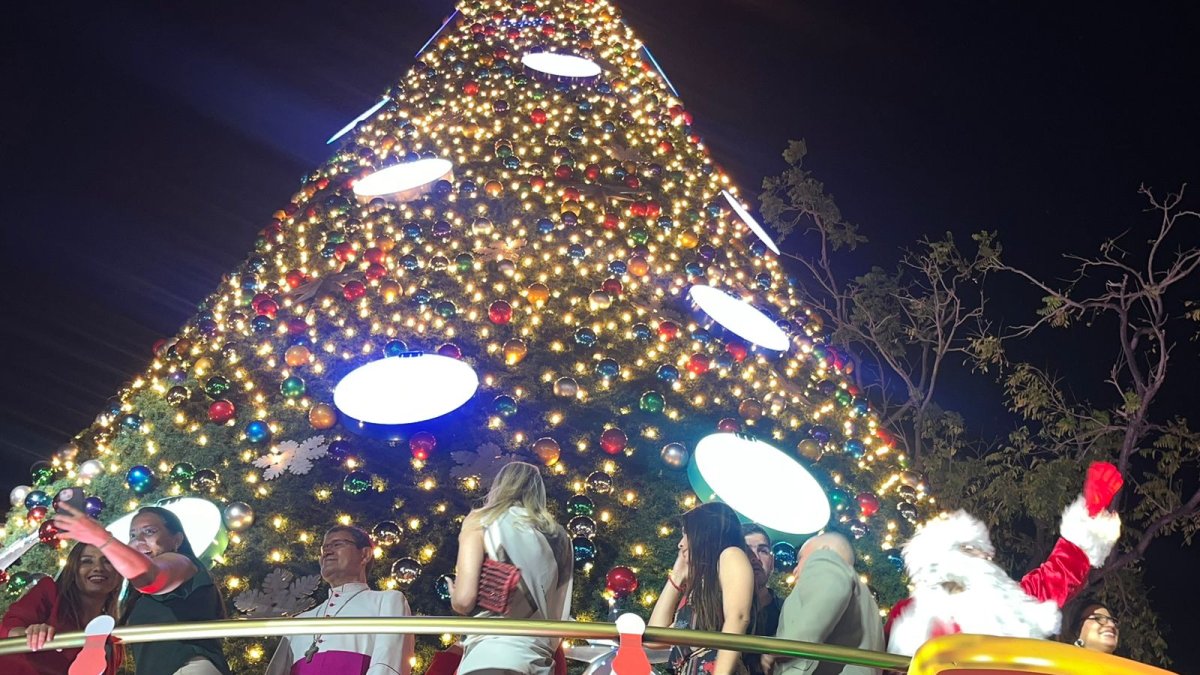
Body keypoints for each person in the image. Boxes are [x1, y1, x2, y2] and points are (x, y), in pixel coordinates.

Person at [885, 462, 1124, 656]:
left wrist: (1091, 510)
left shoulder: (1008, 605)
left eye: (984, 552)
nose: (985, 557)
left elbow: (1059, 575)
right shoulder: (908, 615)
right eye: (972, 550)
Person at [53, 503, 232, 674]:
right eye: (132, 535)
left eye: (149, 531)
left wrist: (100, 538)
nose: (138, 540)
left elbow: (151, 577)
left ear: (177, 539)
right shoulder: (134, 596)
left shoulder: (182, 563)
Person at [449, 461, 574, 675]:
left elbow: (464, 600)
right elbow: (559, 610)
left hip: (489, 655)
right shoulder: (561, 537)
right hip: (540, 660)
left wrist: (455, 595)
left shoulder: (481, 520)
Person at [266, 525, 413, 675]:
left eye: (337, 544)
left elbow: (387, 665)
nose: (327, 552)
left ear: (365, 554)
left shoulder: (386, 601)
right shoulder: (299, 621)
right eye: (325, 548)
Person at [649, 501, 756, 675]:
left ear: (704, 533)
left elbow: (738, 617)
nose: (680, 544)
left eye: (686, 534)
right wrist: (677, 576)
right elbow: (653, 638)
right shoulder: (699, 591)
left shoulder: (731, 555)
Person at [764, 532, 883, 675]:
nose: (795, 569)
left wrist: (784, 647)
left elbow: (830, 591)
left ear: (825, 549)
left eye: (800, 559)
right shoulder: (866, 602)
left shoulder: (825, 559)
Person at [0, 542, 123, 675]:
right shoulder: (50, 592)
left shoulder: (116, 632)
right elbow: (10, 626)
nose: (98, 568)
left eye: (108, 561)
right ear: (73, 570)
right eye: (87, 561)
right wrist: (31, 633)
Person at [741, 524, 785, 675]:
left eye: (763, 551)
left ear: (771, 562)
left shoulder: (787, 611)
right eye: (747, 550)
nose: (755, 558)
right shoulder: (716, 608)